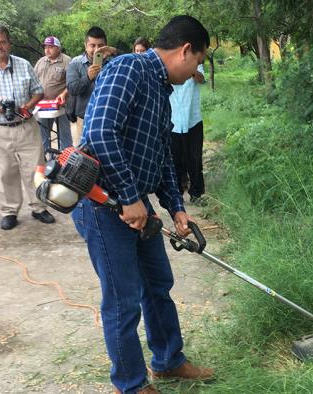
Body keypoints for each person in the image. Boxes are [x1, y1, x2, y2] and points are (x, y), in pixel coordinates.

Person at [73, 15, 213, 394]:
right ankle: (131, 385)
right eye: (197, 61)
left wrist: (176, 207)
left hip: (137, 206)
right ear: (185, 51)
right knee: (123, 300)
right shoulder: (128, 69)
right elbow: (100, 131)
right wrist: (131, 198)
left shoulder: (161, 90)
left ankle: (168, 361)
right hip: (104, 204)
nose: (195, 70)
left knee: (158, 285)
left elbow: (163, 156)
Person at [0, 23, 56, 230]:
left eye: (3, 42)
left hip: (26, 125)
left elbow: (38, 91)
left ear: (10, 43)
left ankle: (39, 207)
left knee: (35, 169)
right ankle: (9, 211)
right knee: (4, 172)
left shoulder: (24, 65)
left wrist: (28, 106)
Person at [66, 26, 116, 146]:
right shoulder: (75, 64)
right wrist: (88, 77)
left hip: (108, 120)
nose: (96, 50)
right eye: (92, 45)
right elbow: (72, 89)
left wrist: (114, 52)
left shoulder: (114, 63)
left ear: (106, 46)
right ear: (86, 45)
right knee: (83, 159)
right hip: (83, 121)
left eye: (100, 45)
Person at [169, 63, 206, 205]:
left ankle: (196, 194)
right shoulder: (169, 65)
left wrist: (191, 69)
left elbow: (201, 79)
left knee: (195, 158)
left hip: (193, 120)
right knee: (175, 159)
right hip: (173, 122)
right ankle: (176, 193)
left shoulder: (196, 63)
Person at [33, 36, 72, 151]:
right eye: (46, 47)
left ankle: (67, 162)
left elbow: (72, 84)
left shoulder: (67, 61)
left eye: (51, 47)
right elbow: (33, 80)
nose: (47, 50)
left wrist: (64, 93)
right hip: (43, 105)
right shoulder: (41, 61)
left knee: (64, 136)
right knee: (42, 135)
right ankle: (44, 160)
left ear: (58, 48)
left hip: (60, 105)